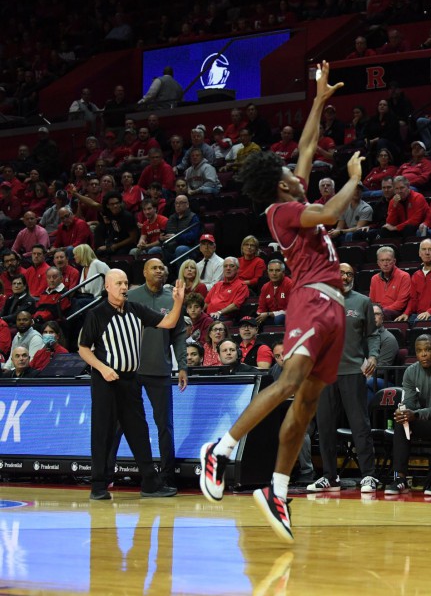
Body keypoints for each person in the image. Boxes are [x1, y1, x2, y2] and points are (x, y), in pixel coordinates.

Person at [199, 63, 366, 543]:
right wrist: (353, 178)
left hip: (335, 306)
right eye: (290, 175)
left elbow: (309, 145)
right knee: (290, 379)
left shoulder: (292, 195)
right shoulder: (283, 211)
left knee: (309, 399)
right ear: (280, 185)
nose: (299, 173)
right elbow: (333, 213)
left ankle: (276, 488)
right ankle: (222, 449)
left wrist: (318, 99)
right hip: (311, 298)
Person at [79, 269, 184, 500]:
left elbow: (168, 322)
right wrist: (102, 368)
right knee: (103, 433)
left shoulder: (136, 310)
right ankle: (98, 486)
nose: (124, 287)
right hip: (105, 381)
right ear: (107, 286)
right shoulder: (96, 314)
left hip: (130, 380)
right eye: (119, 283)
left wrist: (178, 302)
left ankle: (150, 483)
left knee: (139, 431)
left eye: (126, 282)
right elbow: (83, 348)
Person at [308, 263, 380, 494]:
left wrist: (373, 357)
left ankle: (369, 475)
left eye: (350, 273)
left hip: (352, 372)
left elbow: (373, 334)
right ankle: (329, 476)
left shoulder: (362, 302)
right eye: (342, 273)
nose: (346, 276)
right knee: (325, 426)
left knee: (360, 425)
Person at [122, 258, 188, 487]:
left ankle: (167, 476)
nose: (159, 271)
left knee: (164, 425)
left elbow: (179, 335)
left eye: (162, 267)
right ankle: (114, 472)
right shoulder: (130, 297)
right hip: (129, 370)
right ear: (144, 272)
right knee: (123, 423)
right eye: (154, 267)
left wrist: (182, 365)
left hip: (159, 370)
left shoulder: (173, 299)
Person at [385, 334, 431, 496]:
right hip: (427, 416)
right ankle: (400, 478)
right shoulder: (411, 372)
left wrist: (417, 414)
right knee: (401, 422)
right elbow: (410, 402)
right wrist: (404, 411)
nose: (424, 354)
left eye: (428, 350)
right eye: (419, 351)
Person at [396, 239, 431, 324]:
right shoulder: (415, 275)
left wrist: (429, 312)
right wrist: (406, 313)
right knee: (402, 323)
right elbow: (413, 300)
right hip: (420, 314)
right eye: (424, 249)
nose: (427, 252)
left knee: (418, 322)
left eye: (430, 249)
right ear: (419, 253)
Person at [368, 246, 411, 320]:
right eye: (382, 260)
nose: (385, 263)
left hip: (395, 312)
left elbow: (401, 304)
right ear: (378, 263)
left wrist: (381, 311)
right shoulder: (374, 278)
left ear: (394, 261)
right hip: (378, 312)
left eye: (388, 260)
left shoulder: (404, 276)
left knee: (384, 313)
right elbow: (372, 301)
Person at [256, 259, 291, 327]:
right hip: (269, 316)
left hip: (288, 317)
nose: (274, 273)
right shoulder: (265, 287)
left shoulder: (290, 285)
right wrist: (259, 314)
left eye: (277, 270)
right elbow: (261, 307)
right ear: (268, 272)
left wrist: (270, 314)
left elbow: (291, 310)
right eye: (271, 270)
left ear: (283, 272)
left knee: (279, 318)